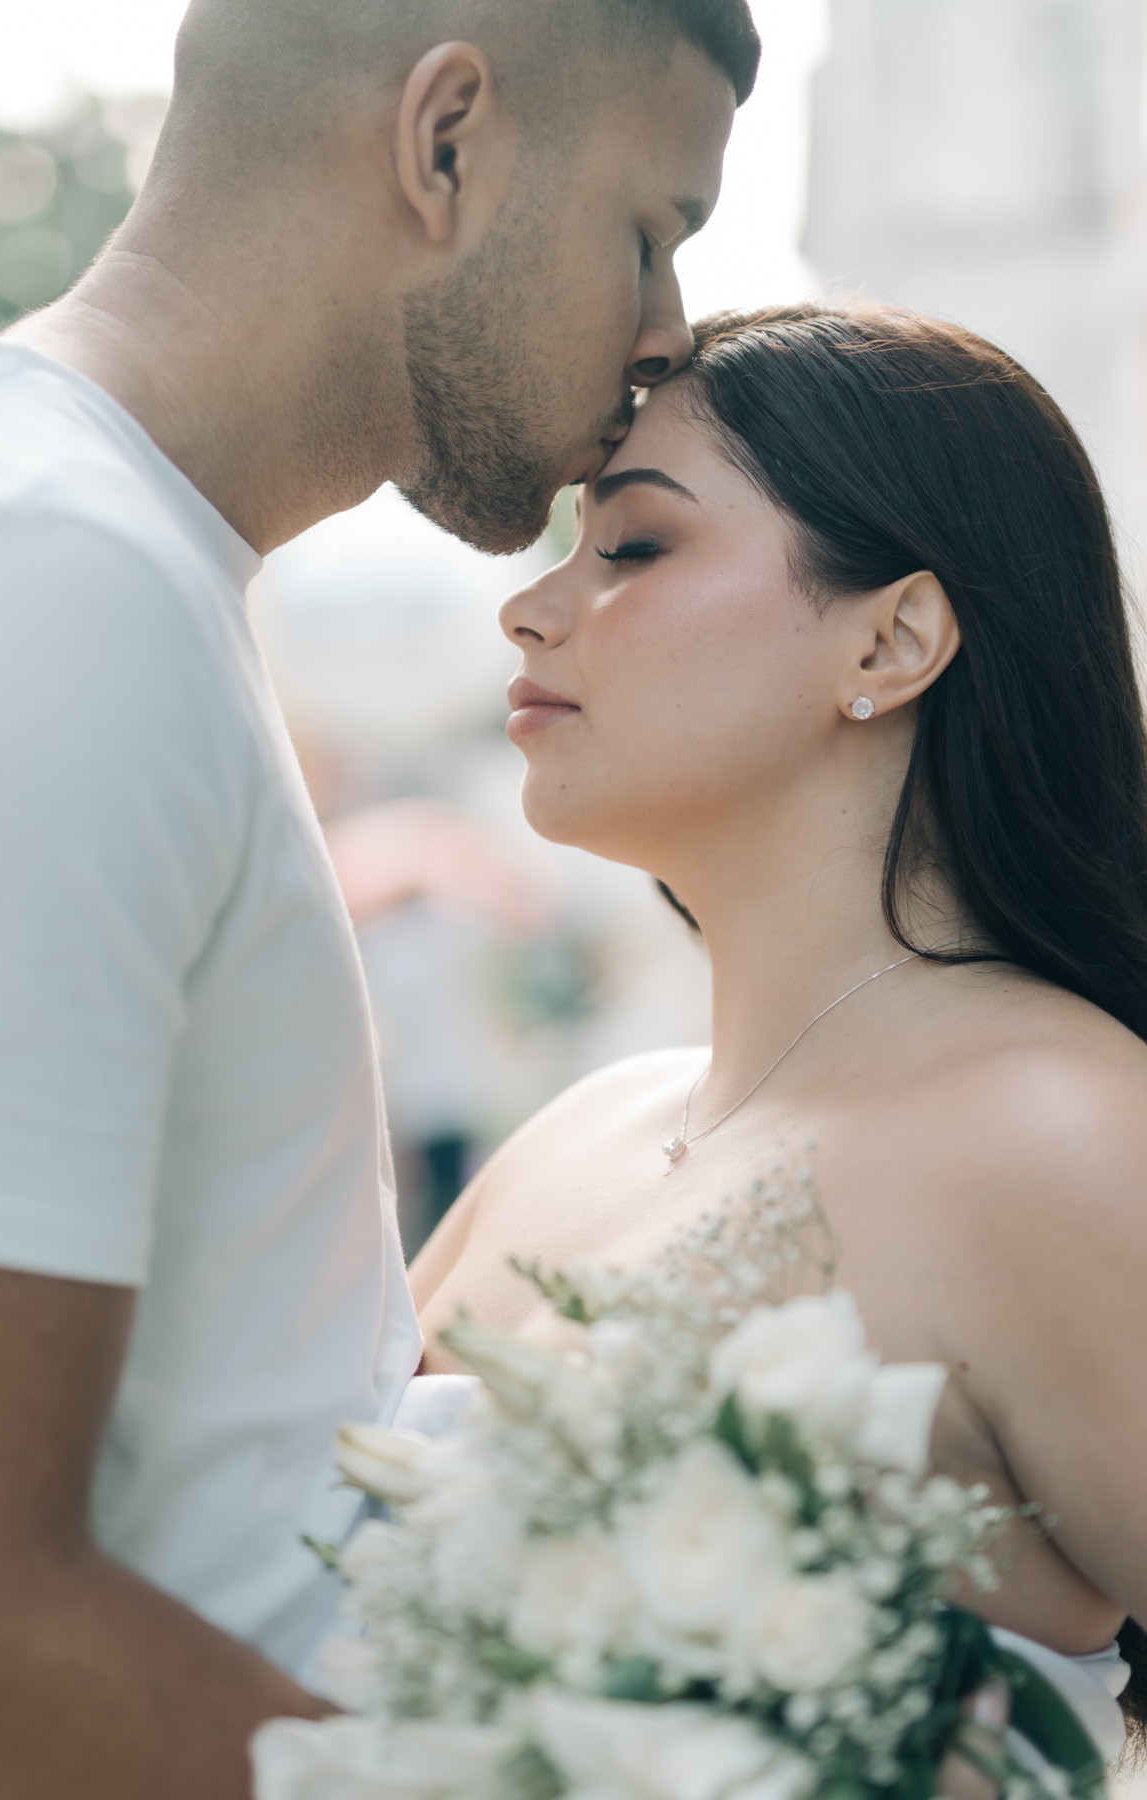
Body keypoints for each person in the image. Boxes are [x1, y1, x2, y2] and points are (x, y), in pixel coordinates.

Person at [0, 1, 759, 1795]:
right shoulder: (48, 582)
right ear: (445, 141)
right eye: (652, 231)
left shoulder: (130, 570)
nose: (667, 334)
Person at [410, 303, 1147, 1758]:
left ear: (894, 636)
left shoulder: (1063, 1135)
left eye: (633, 546)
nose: (530, 608)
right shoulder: (568, 1139)